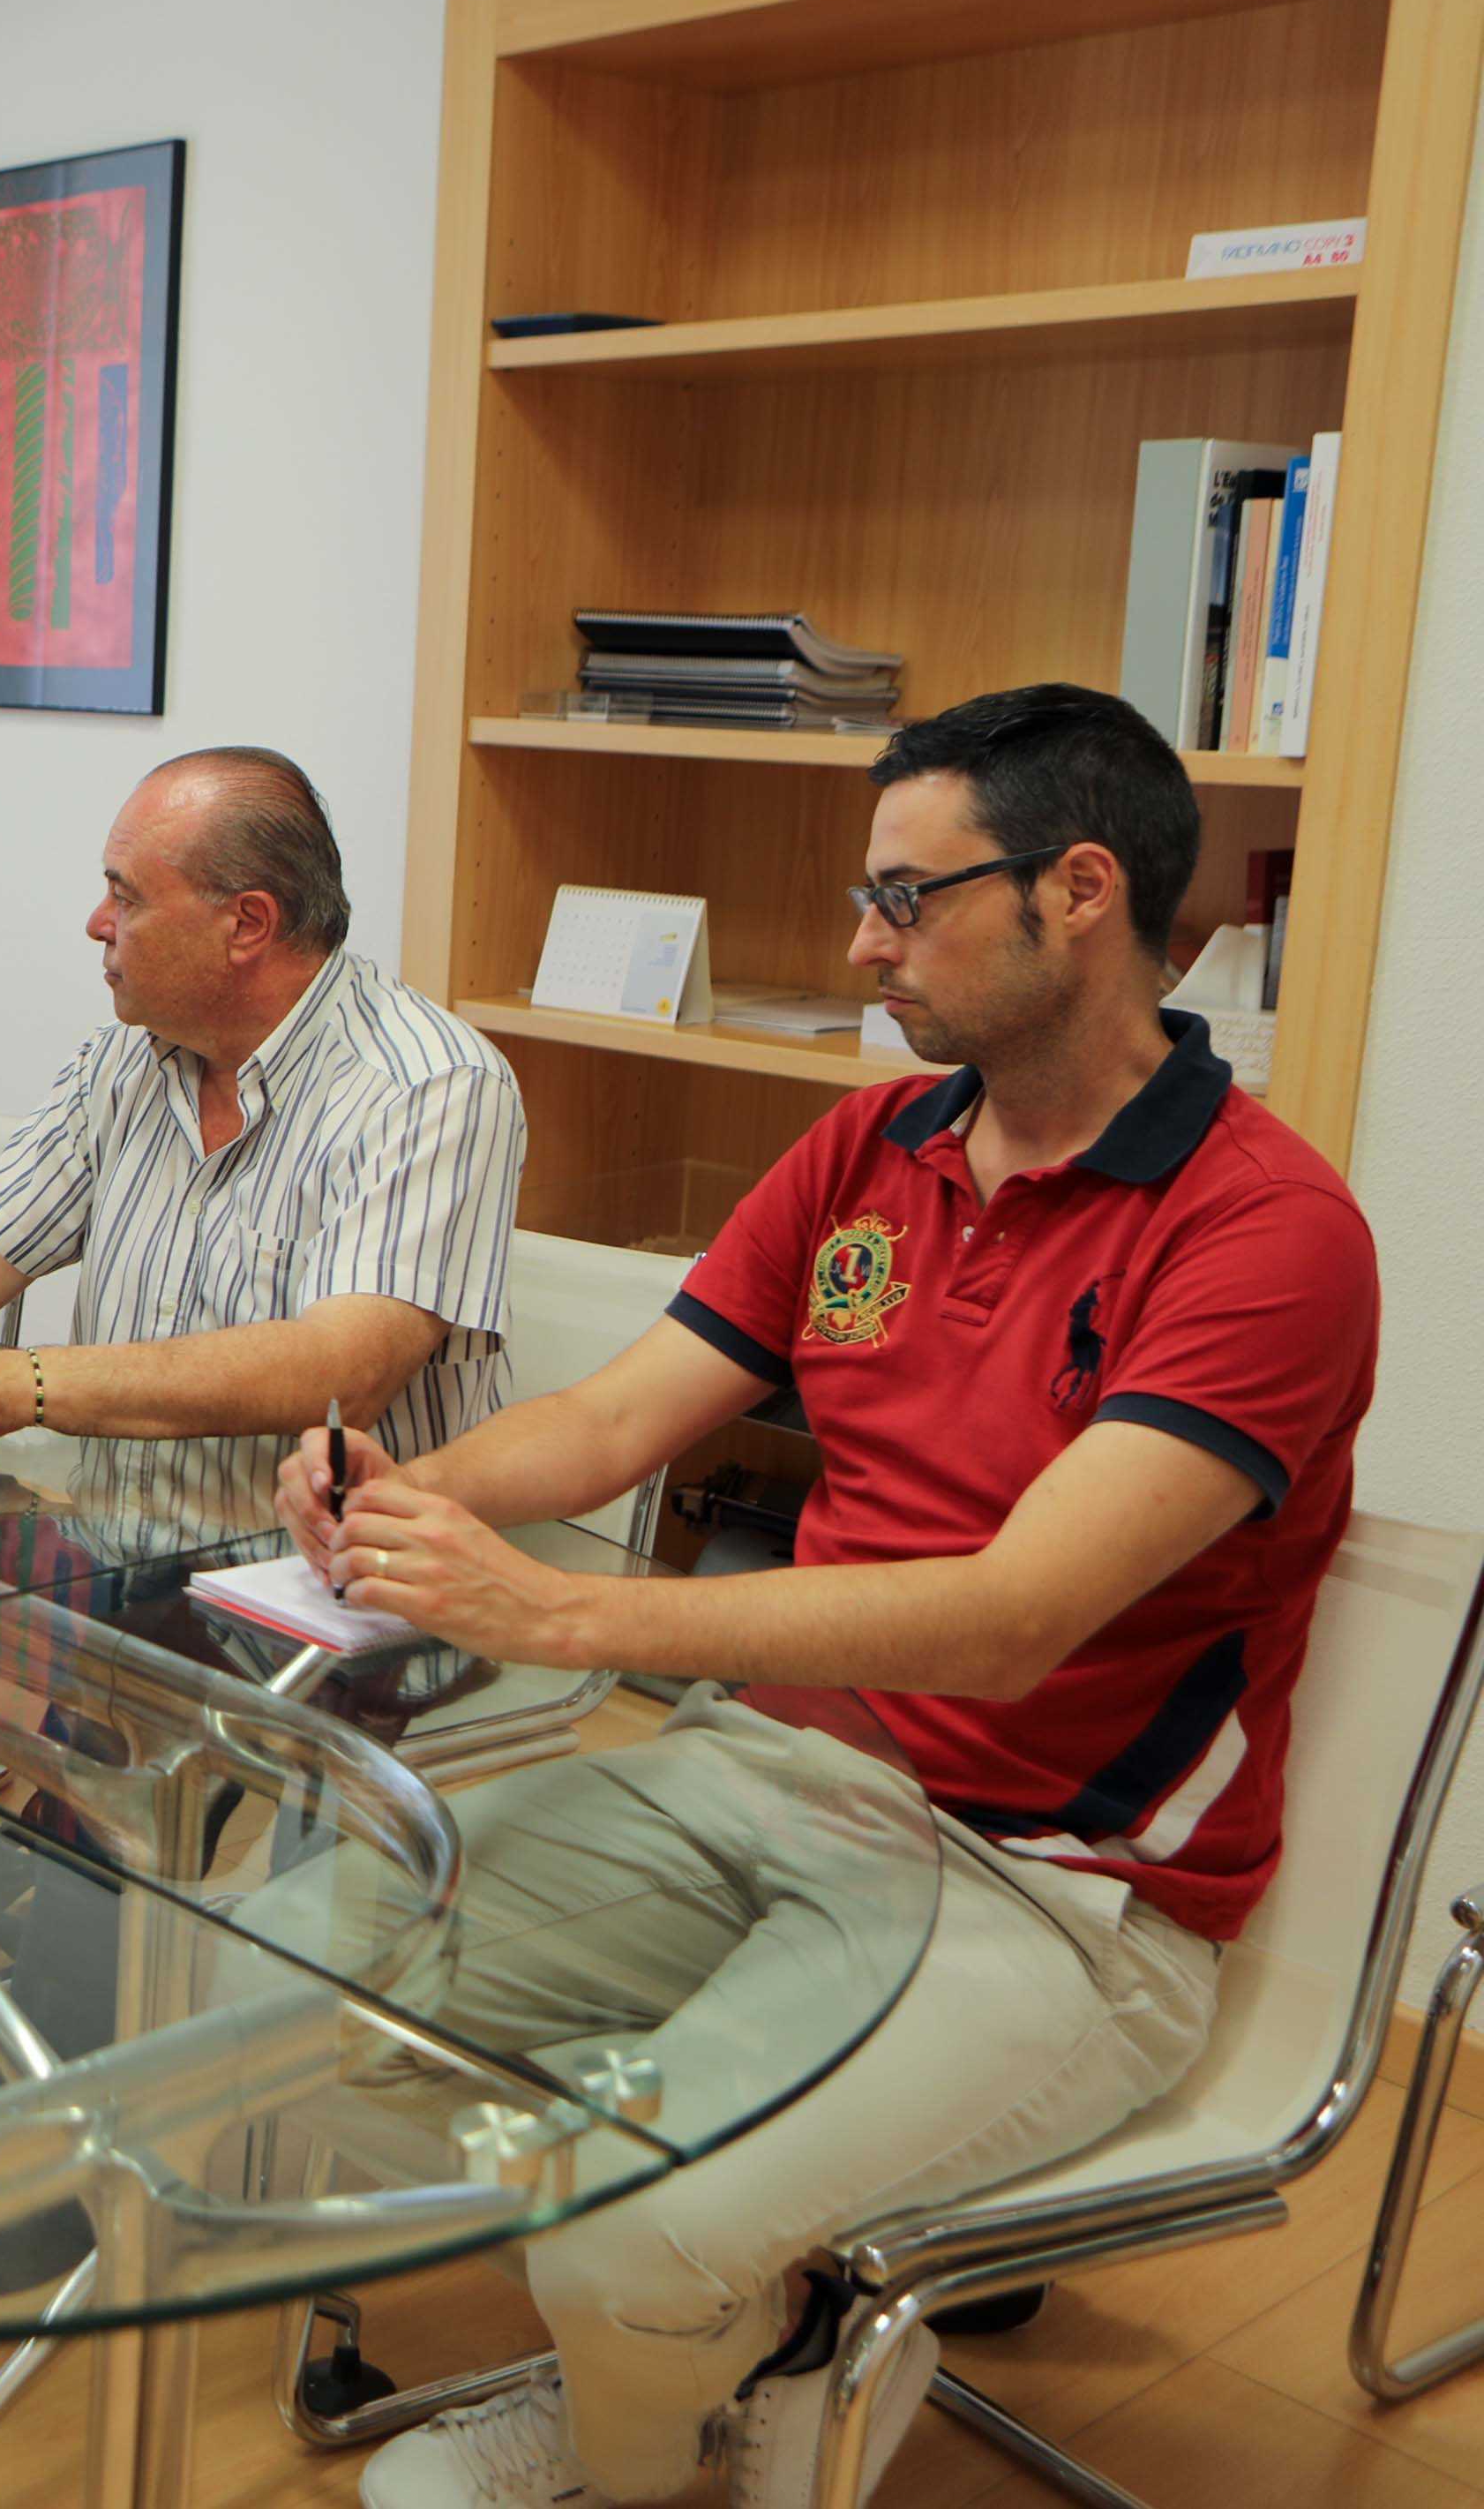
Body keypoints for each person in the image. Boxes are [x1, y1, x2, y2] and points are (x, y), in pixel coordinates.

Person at [269, 686, 1377, 2509]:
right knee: (278, 1969)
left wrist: (554, 1618)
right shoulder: (869, 1152)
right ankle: (759, 2319)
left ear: (1076, 888)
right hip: (765, 1773)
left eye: (904, 897)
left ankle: (666, 2380)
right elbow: (625, 1410)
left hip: (1059, 1891)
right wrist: (404, 1483)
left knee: (618, 2220)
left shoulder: (1263, 1232)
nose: (860, 945)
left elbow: (1011, 1613)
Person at [0, 746, 523, 1546]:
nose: (97, 924)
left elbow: (342, 1368)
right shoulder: (125, 1059)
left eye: (125, 896)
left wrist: (24, 1383)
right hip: (115, 1565)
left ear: (246, 923)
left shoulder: (431, 1085)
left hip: (333, 1598)